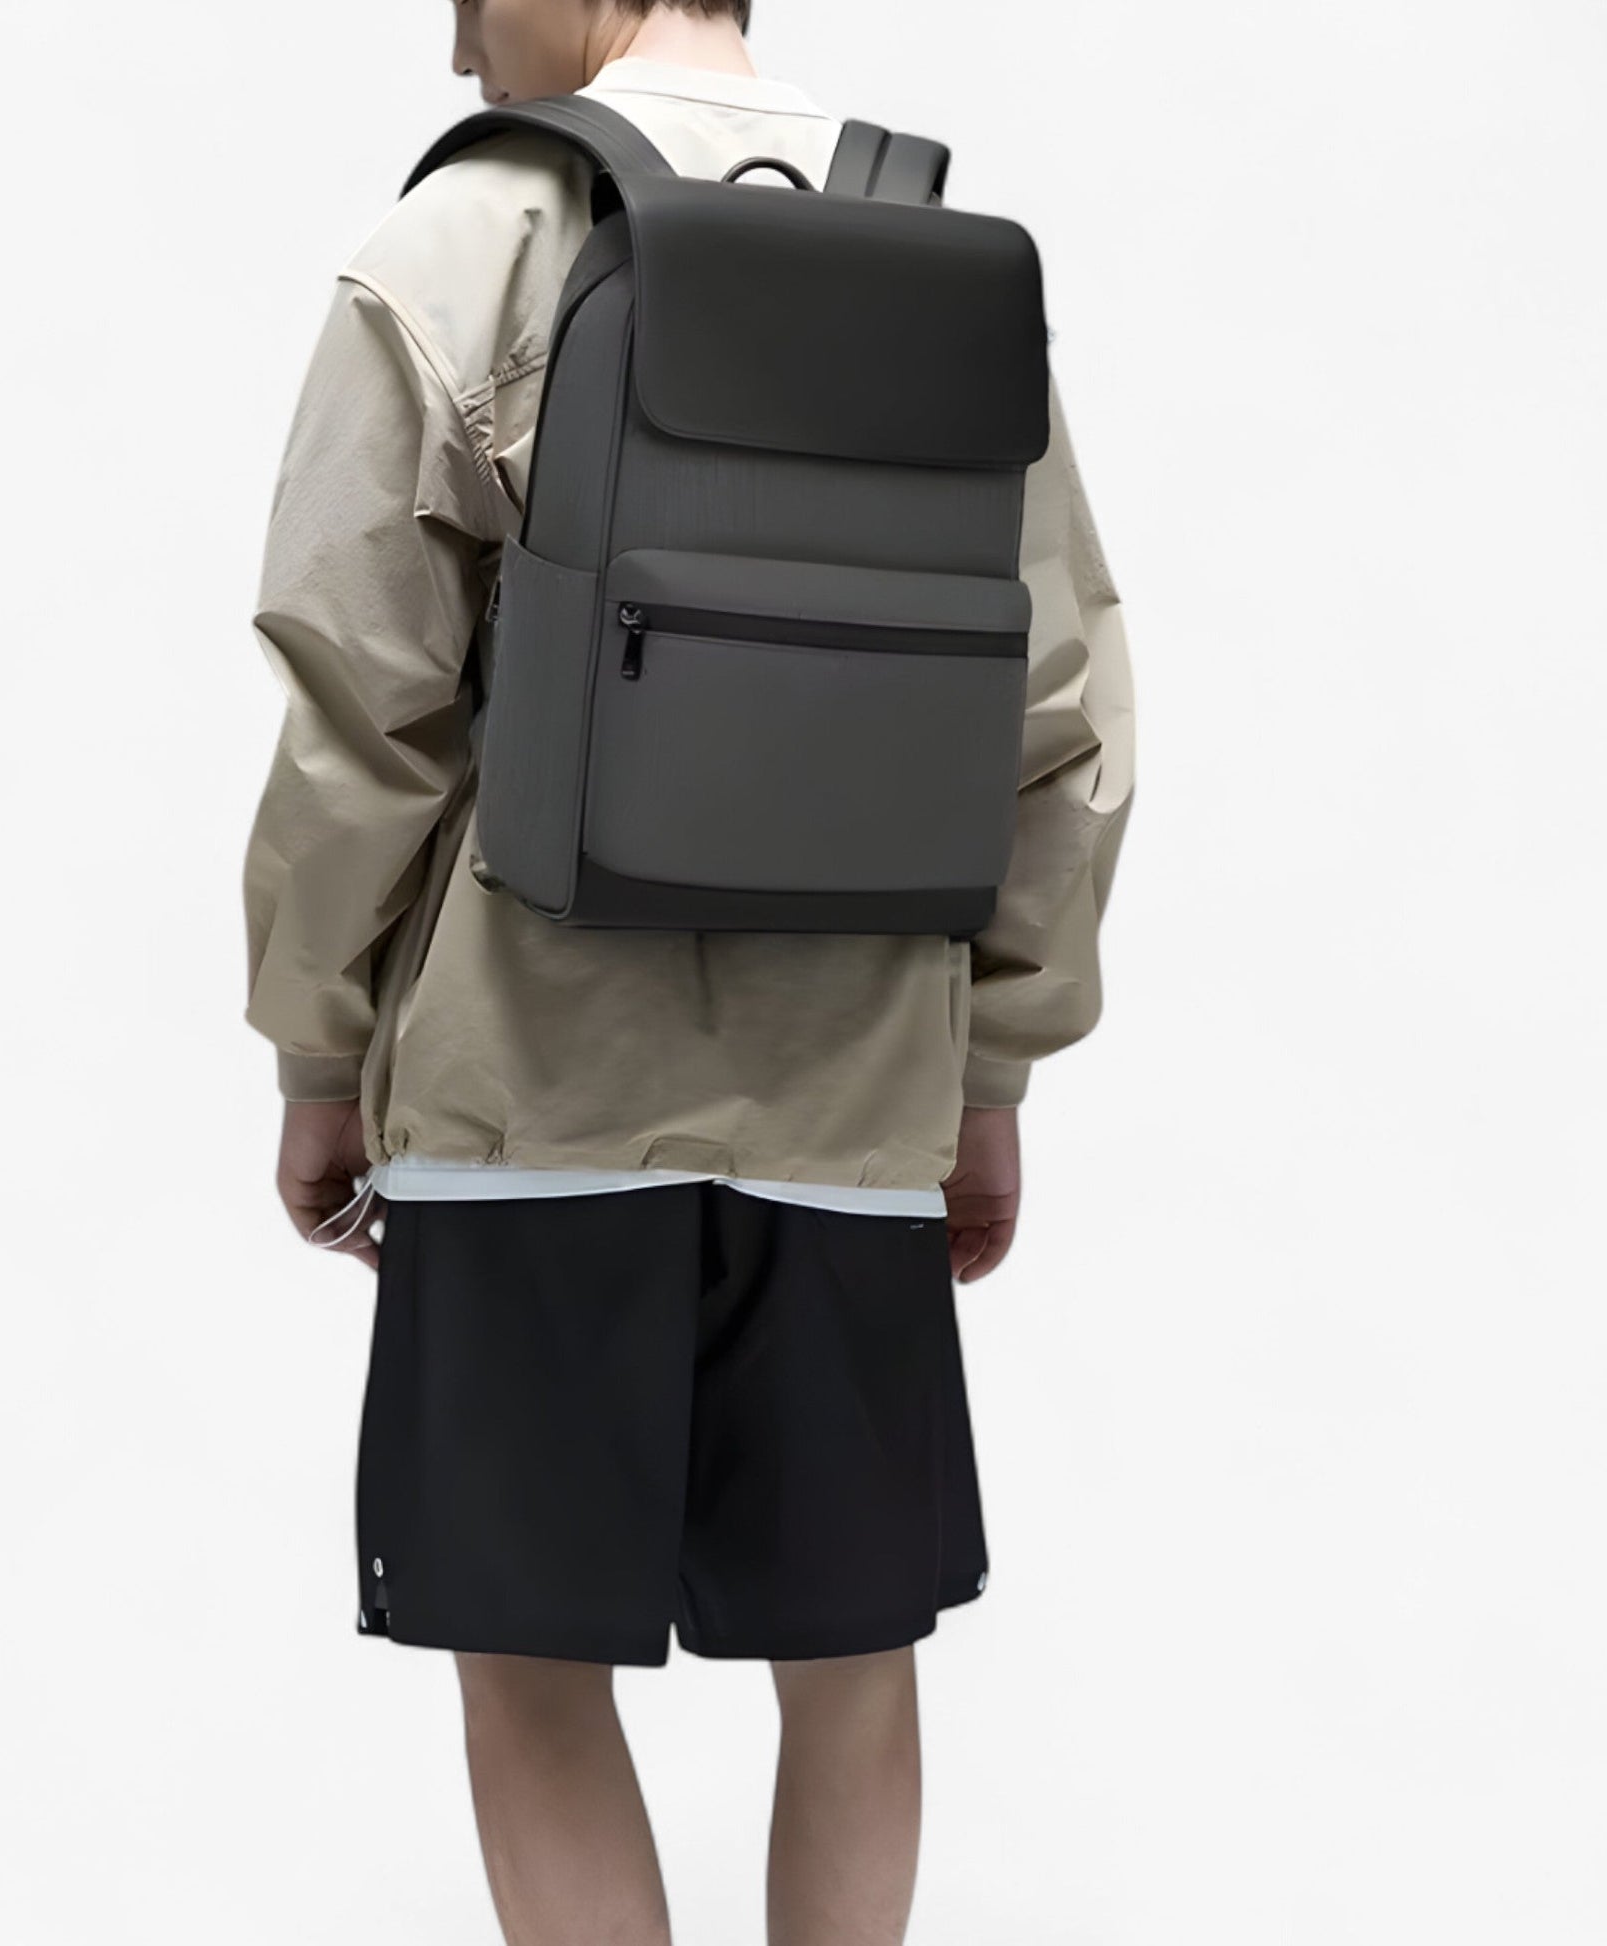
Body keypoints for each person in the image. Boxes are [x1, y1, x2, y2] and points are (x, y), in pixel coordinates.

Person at [240, 2, 1135, 1940]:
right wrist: (987, 1067)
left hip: (522, 1090)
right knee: (853, 1662)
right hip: (856, 1096)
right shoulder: (929, 255)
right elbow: (1056, 713)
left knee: (530, 1665)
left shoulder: (457, 241)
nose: (455, 50)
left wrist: (318, 1049)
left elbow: (357, 713)